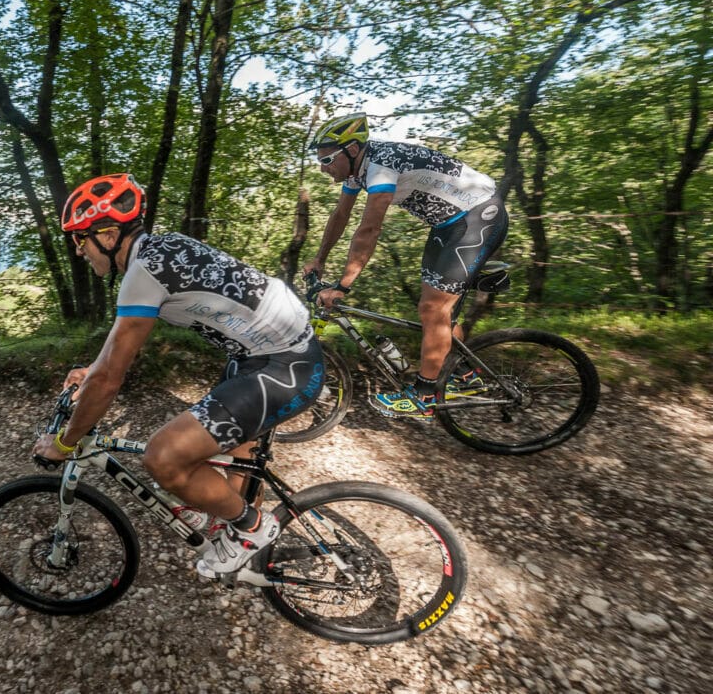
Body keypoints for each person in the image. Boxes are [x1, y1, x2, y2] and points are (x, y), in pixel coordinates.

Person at [33, 173, 325, 577]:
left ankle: (251, 528)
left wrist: (65, 443)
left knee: (164, 457)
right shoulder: (158, 251)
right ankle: (236, 528)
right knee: (228, 456)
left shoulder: (142, 273)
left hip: (281, 364)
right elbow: (121, 345)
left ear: (106, 233)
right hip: (264, 354)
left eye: (79, 239)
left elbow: (109, 380)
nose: (79, 252)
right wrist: (93, 369)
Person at [304, 112, 508, 419]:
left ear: (353, 150)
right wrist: (320, 257)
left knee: (433, 308)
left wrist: (343, 285)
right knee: (436, 310)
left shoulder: (381, 165)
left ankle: (425, 395)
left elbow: (369, 228)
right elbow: (340, 216)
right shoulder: (356, 171)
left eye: (328, 158)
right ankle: (465, 375)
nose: (323, 167)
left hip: (478, 216)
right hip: (447, 226)